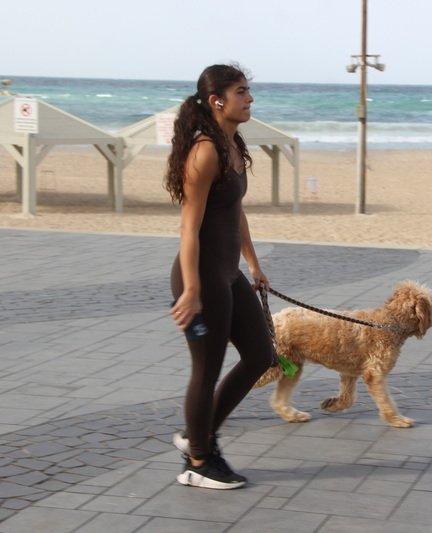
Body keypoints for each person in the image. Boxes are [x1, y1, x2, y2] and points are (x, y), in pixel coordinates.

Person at [164, 64, 274, 490]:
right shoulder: (205, 151)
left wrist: (253, 263)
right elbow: (188, 227)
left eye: (249, 91)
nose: (249, 99)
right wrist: (191, 290)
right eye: (241, 92)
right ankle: (198, 461)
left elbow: (235, 212)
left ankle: (199, 435)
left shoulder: (233, 145)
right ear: (217, 101)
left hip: (229, 273)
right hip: (202, 277)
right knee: (206, 369)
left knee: (260, 355)